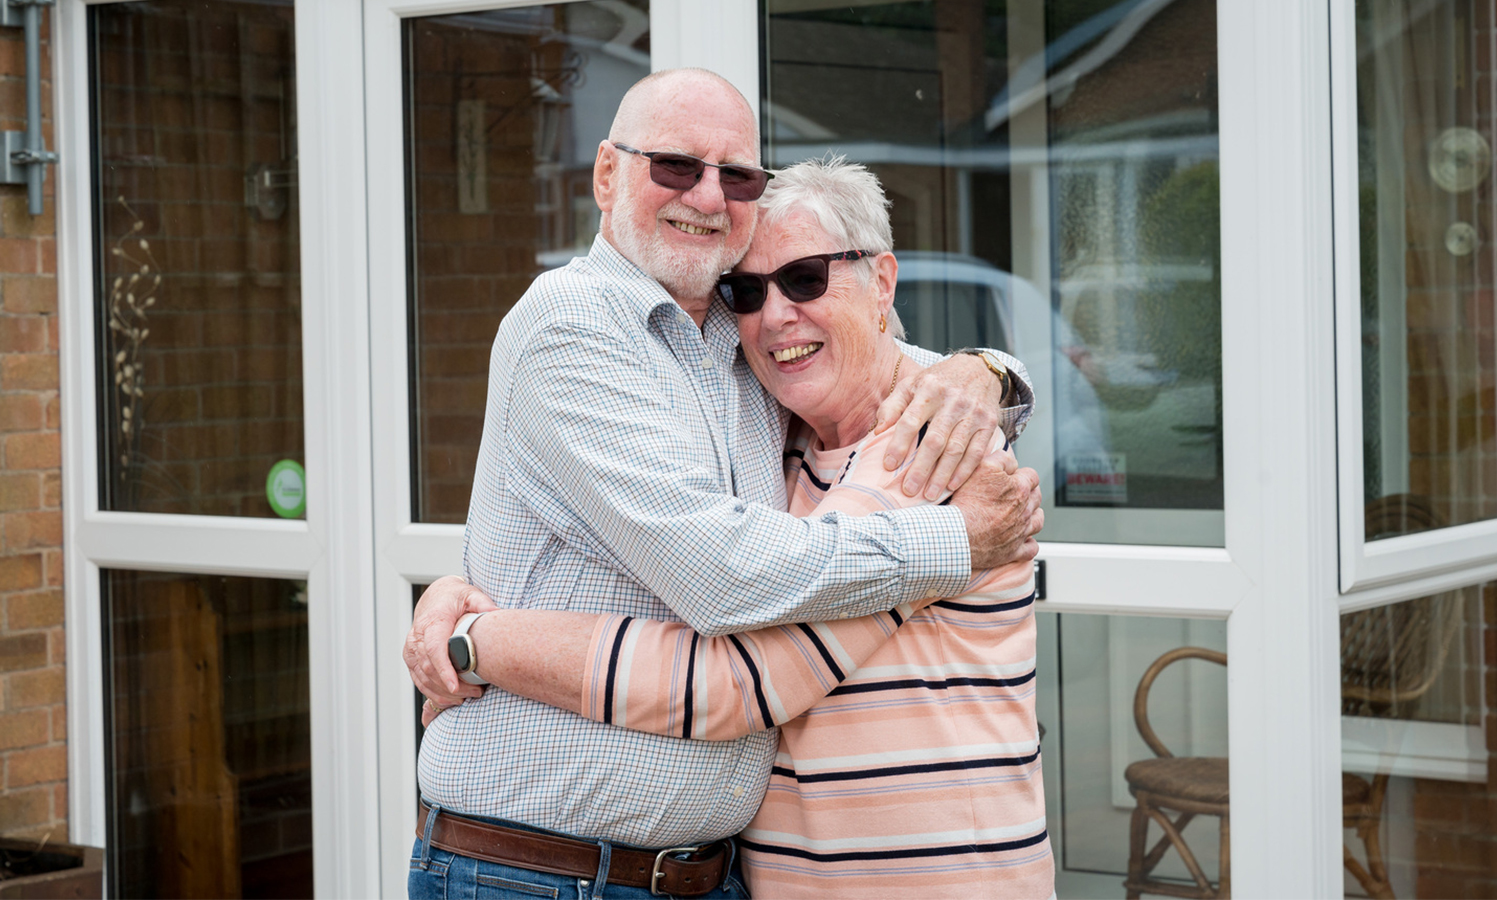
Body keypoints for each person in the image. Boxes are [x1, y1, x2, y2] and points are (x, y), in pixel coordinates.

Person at [408, 68, 1043, 900]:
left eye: (736, 174)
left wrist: (990, 374)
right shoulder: (571, 325)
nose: (776, 312)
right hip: (540, 870)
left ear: (882, 282)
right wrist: (955, 545)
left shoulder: (768, 376)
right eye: (675, 165)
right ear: (607, 175)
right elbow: (726, 579)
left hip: (730, 877)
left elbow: (730, 681)